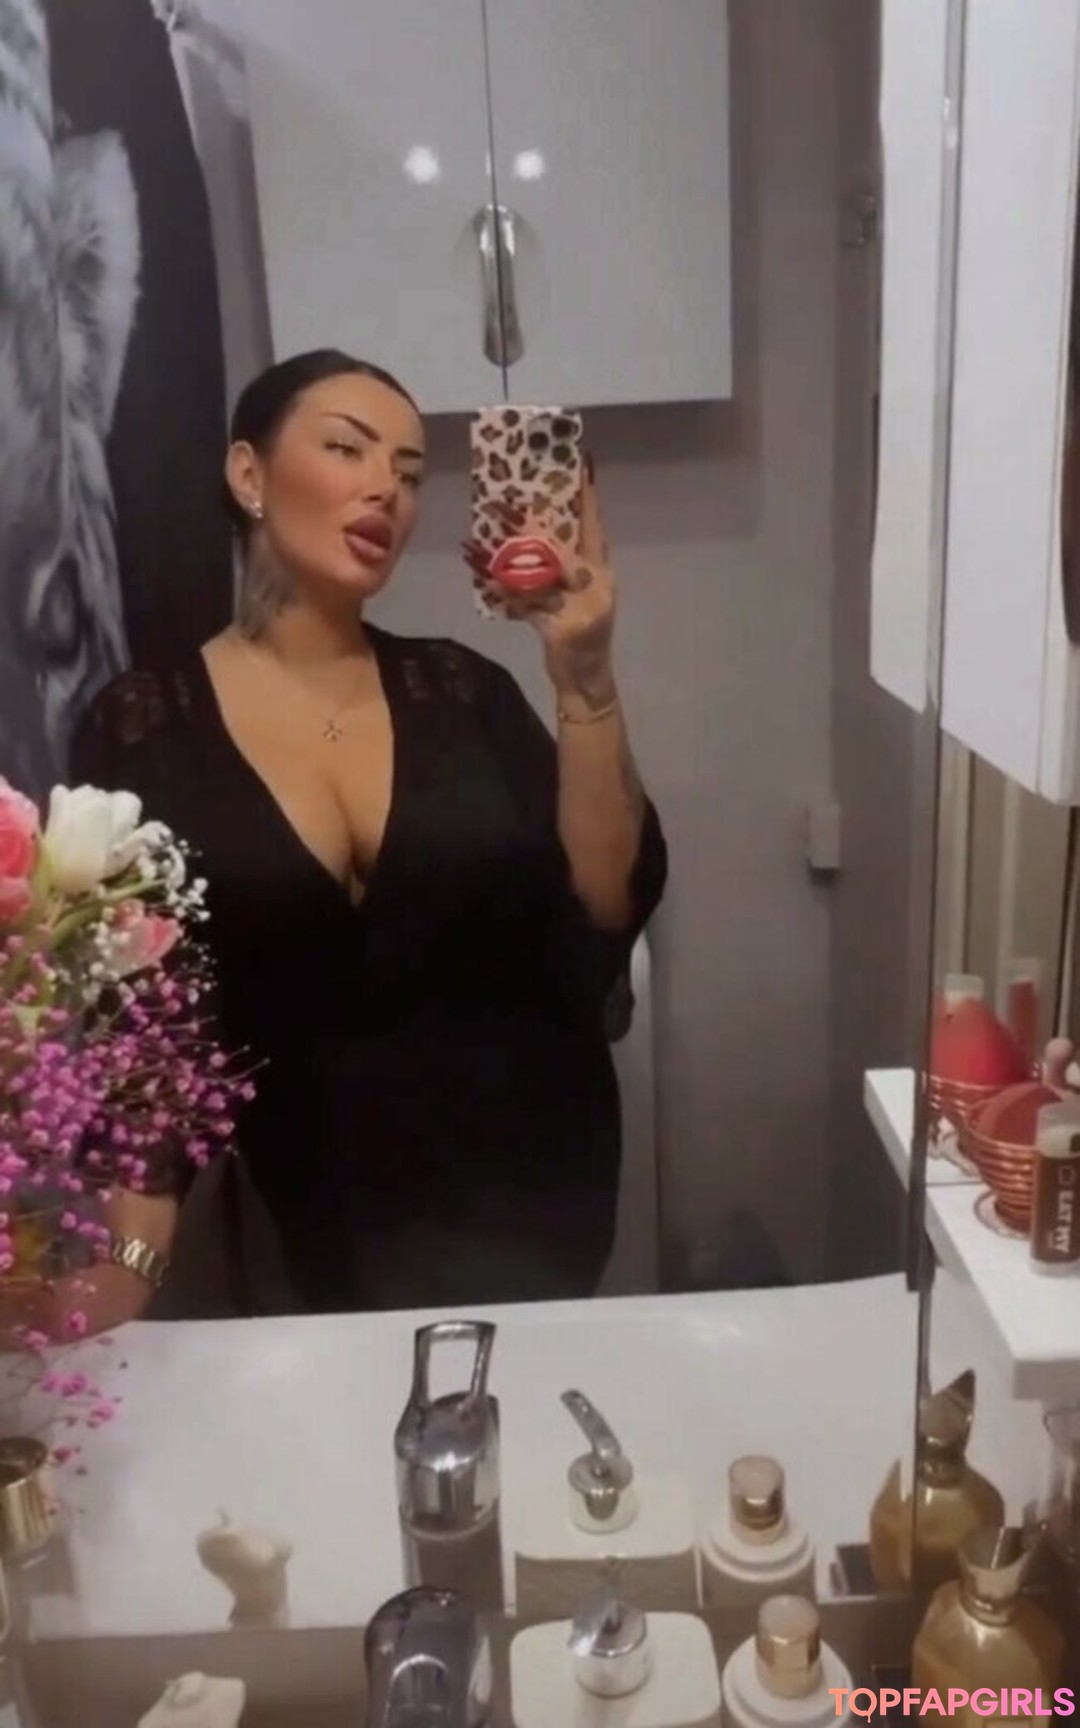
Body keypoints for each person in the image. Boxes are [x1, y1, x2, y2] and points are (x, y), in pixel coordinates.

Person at [64, 349, 667, 1324]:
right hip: (326, 1218)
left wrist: (586, 679)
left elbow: (606, 896)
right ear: (249, 474)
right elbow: (145, 1029)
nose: (386, 487)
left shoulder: (463, 691)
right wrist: (128, 1264)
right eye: (348, 448)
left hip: (536, 1186)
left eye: (410, 472)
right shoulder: (142, 728)